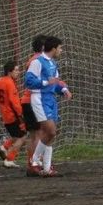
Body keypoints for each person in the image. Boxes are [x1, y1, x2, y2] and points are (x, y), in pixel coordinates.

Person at [24, 35, 71, 177]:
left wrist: (64, 90)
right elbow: (28, 82)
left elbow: (55, 83)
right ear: (54, 48)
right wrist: (45, 82)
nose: (61, 51)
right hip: (40, 98)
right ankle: (34, 160)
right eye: (60, 48)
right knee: (50, 131)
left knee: (50, 135)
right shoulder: (37, 62)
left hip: (50, 99)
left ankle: (46, 168)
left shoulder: (53, 63)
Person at [0, 60, 26, 169]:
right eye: (16, 70)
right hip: (12, 115)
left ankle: (4, 147)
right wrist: (21, 114)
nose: (18, 72)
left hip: (5, 115)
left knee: (15, 136)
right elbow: (14, 102)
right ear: (9, 71)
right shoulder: (10, 83)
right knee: (22, 137)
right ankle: (9, 159)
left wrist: (2, 104)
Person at [20, 35, 45, 168]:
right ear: (43, 47)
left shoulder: (32, 60)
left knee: (34, 135)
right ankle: (36, 164)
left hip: (27, 100)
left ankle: (31, 165)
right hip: (33, 101)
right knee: (39, 134)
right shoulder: (38, 61)